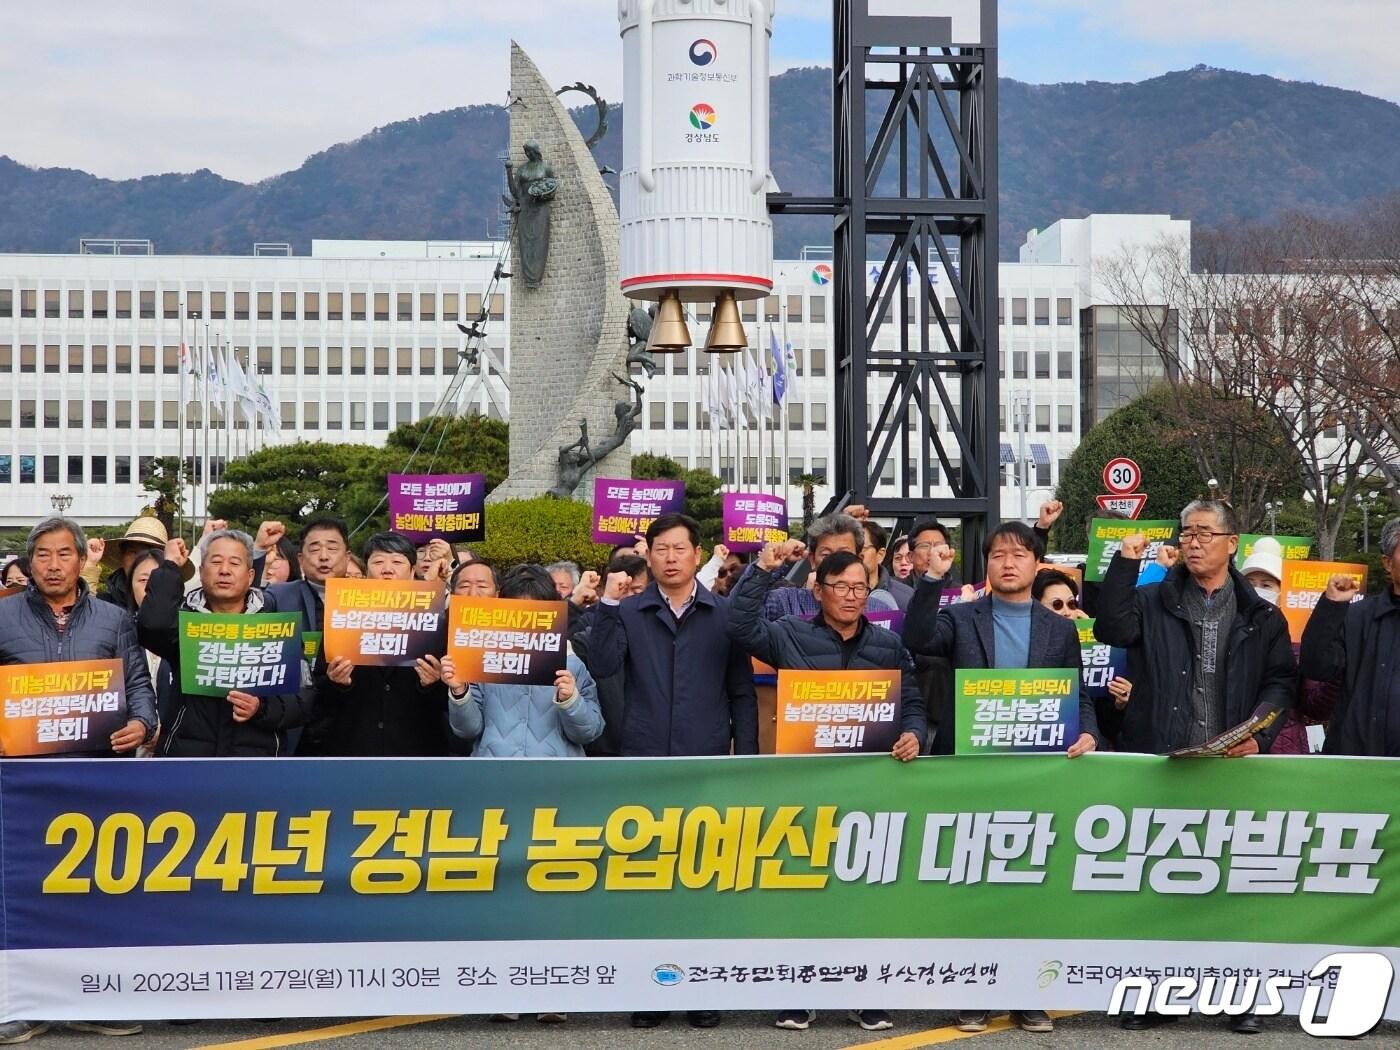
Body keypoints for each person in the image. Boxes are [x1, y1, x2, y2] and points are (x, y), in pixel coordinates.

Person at [902, 522, 1097, 1035]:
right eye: (997, 555)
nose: (1008, 563)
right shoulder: (961, 618)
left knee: (1029, 886)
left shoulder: (1058, 628)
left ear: (1038, 565)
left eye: (1019, 555)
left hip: (1034, 775)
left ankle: (1028, 992)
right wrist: (931, 580)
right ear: (986, 565)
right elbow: (916, 637)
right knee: (970, 884)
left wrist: (1090, 734)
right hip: (969, 774)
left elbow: (1076, 693)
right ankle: (972, 991)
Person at [729, 546, 927, 1034]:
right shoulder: (788, 634)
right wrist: (763, 570)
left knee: (864, 893)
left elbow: (914, 702)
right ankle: (799, 992)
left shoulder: (887, 645)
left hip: (869, 789)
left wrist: (914, 734)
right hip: (804, 787)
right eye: (841, 587)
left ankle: (866, 994)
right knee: (804, 891)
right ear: (818, 591)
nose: (852, 596)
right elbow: (737, 626)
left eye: (861, 587)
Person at [582, 512, 757, 1031]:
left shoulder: (723, 615)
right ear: (649, 556)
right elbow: (603, 665)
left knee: (702, 881)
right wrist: (610, 605)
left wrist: (743, 760)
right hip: (645, 762)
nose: (671, 557)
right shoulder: (630, 611)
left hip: (705, 761)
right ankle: (651, 989)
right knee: (650, 880)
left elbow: (742, 693)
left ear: (697, 554)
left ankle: (701, 988)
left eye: (680, 548)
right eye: (661, 549)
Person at [0, 521, 154, 1050]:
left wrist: (144, 723)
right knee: (24, 891)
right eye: (42, 554)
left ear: (81, 560)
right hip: (22, 780)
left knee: (94, 887)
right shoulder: (3, 615)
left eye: (64, 553)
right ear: (31, 561)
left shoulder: (114, 618)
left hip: (97, 774)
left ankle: (94, 999)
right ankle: (23, 1005)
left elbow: (137, 681)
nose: (53, 564)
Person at [137, 528, 312, 757]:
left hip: (256, 764)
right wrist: (170, 567)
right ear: (201, 571)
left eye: (235, 563)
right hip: (189, 762)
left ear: (250, 575)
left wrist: (261, 708)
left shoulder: (275, 628)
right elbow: (153, 625)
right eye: (216, 562)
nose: (224, 571)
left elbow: (303, 699)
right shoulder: (188, 625)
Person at [309, 532, 448, 757]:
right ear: (366, 572)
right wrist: (337, 684)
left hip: (416, 750)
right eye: (378, 561)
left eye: (397, 562)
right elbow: (318, 694)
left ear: (413, 572)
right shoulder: (342, 617)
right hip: (355, 749)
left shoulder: (435, 620)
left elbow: (449, 700)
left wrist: (432, 684)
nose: (387, 569)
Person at [444, 564, 603, 759]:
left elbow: (589, 732)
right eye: (517, 611)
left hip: (555, 779)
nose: (525, 621)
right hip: (495, 774)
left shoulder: (571, 663)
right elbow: (467, 730)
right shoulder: (481, 658)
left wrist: (571, 700)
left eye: (535, 613)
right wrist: (460, 693)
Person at [1299, 517, 1400, 757]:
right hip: (1355, 766)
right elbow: (1315, 667)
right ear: (1387, 563)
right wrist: (1331, 607)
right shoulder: (1357, 616)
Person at [759, 512, 898, 619]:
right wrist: (766, 566)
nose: (836, 561)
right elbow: (741, 621)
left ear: (859, 558)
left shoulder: (880, 611)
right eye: (826, 555)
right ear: (812, 560)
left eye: (844, 553)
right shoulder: (784, 603)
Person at [88, 514, 194, 609]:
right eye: (133, 552)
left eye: (149, 553)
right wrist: (88, 567)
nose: (140, 560)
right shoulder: (103, 605)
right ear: (122, 556)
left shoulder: (181, 609)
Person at [861, 519, 912, 610]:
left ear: (880, 554)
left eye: (861, 549)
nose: (854, 554)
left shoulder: (907, 597)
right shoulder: (832, 594)